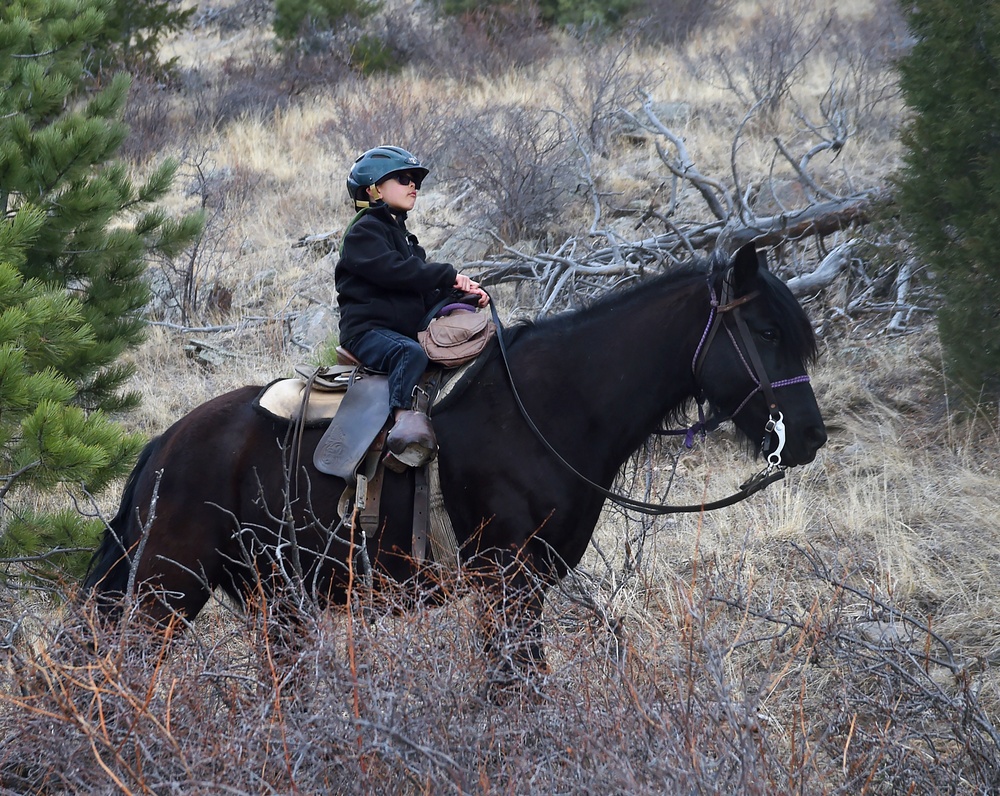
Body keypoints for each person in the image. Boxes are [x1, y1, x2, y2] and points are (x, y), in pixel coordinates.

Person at [335, 145, 489, 470]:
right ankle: (402, 424)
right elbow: (397, 273)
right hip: (368, 333)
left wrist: (462, 295)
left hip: (399, 330)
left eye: (415, 180)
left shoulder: (405, 239)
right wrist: (449, 274)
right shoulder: (363, 233)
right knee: (410, 354)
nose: (413, 185)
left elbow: (423, 290)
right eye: (403, 178)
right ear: (373, 189)